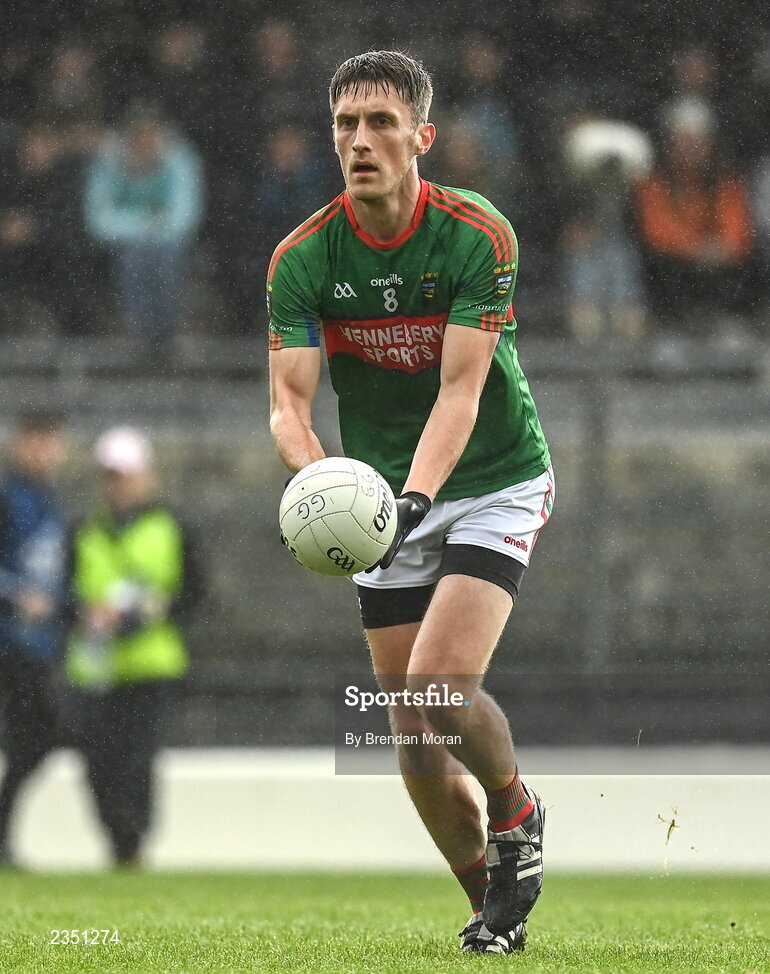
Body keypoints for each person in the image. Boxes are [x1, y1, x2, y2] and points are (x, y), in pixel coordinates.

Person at [268, 52, 554, 954]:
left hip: (490, 478)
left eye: (381, 122)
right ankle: (493, 908)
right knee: (409, 729)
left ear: (422, 137)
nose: (361, 140)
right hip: (386, 500)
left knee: (440, 685)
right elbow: (289, 406)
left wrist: (419, 496)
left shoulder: (477, 233)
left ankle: (517, 816)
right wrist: (319, 485)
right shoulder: (303, 259)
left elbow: (461, 393)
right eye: (346, 125)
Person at [65, 427, 204, 866]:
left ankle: (132, 842)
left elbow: (197, 593)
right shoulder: (83, 528)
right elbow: (63, 592)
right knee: (97, 762)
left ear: (146, 475)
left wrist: (158, 609)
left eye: (124, 474)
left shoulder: (172, 526)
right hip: (95, 665)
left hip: (150, 664)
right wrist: (86, 613)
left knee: (137, 760)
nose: (117, 483)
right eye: (110, 475)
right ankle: (118, 838)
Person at [0, 410, 66, 865]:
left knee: (40, 735)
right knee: (37, 733)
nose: (42, 452)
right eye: (34, 442)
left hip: (33, 647)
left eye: (50, 442)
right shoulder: (8, 497)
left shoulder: (50, 500)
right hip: (9, 640)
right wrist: (13, 594)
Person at [84, 104, 204, 351]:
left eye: (150, 137)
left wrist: (148, 229)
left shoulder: (180, 160)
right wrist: (145, 223)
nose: (145, 145)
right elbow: (99, 219)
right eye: (139, 138)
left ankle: (167, 329)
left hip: (169, 244)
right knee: (135, 256)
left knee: (163, 255)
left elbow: (185, 218)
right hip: (124, 246)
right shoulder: (110, 163)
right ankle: (138, 330)